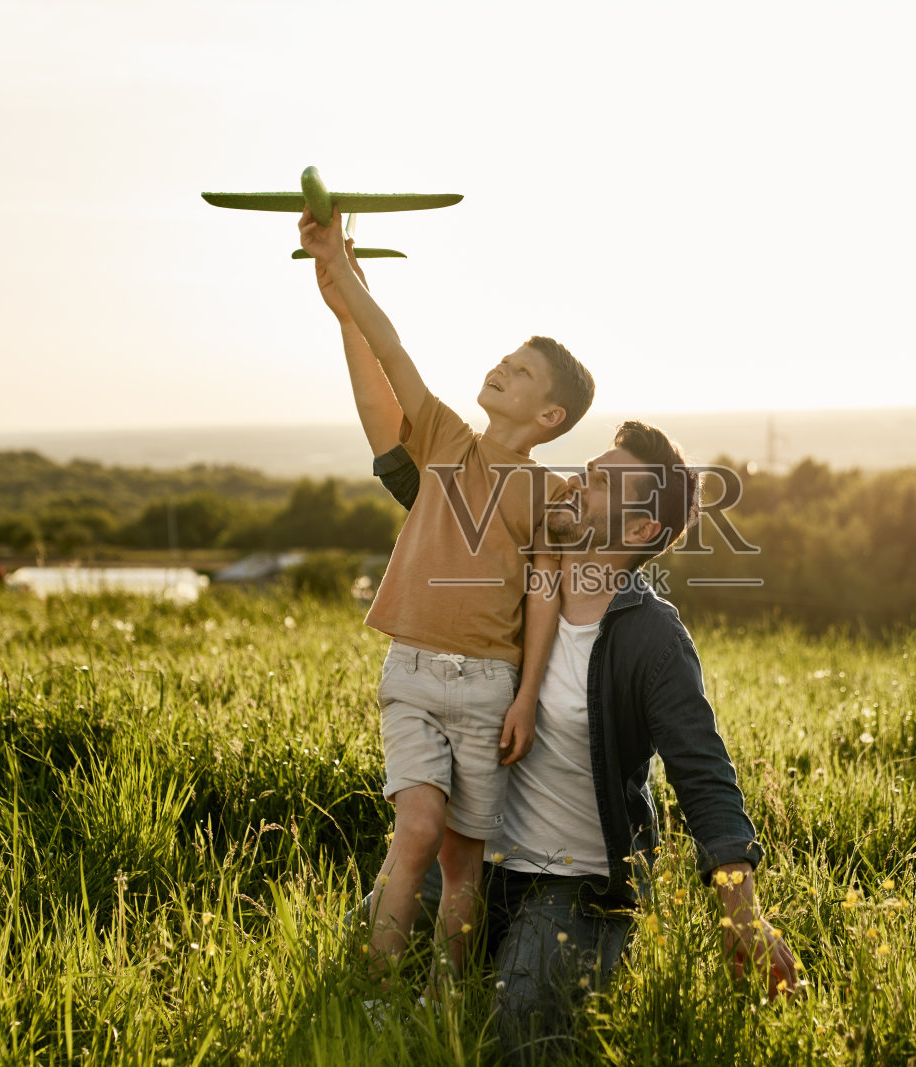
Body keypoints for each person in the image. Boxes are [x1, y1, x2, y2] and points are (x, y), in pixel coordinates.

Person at [313, 252, 799, 1056]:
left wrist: (742, 912)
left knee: (520, 1029)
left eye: (601, 485)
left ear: (640, 529)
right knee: (363, 960)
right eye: (586, 471)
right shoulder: (505, 564)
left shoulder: (649, 638)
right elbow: (393, 429)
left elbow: (703, 771)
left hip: (573, 880)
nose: (576, 485)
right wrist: (345, 305)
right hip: (475, 853)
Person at [298, 209, 595, 978]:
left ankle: (444, 1001)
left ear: (550, 415)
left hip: (491, 687)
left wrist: (525, 696)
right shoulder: (442, 438)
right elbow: (391, 350)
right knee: (417, 829)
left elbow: (543, 599)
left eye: (520, 372)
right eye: (504, 359)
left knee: (464, 863)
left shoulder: (550, 494)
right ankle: (374, 987)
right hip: (413, 673)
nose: (501, 368)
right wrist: (341, 271)